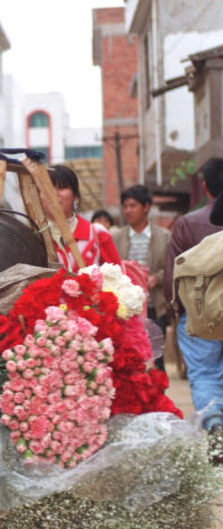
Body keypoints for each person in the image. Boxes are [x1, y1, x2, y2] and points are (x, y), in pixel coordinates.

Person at [163, 158, 223, 457]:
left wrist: (175, 312)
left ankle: (214, 424)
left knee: (204, 374)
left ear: (205, 187)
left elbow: (172, 275)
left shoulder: (188, 223)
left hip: (200, 316)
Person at [111, 185, 171, 325]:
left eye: (133, 206)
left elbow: (172, 268)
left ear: (146, 207)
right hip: (124, 308)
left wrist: (157, 278)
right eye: (125, 206)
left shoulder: (165, 236)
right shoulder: (116, 237)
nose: (128, 211)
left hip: (155, 307)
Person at [47, 164, 122, 271]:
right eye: (48, 189)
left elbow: (117, 276)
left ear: (75, 195)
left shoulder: (97, 233)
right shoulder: (35, 237)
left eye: (62, 188)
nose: (54, 194)